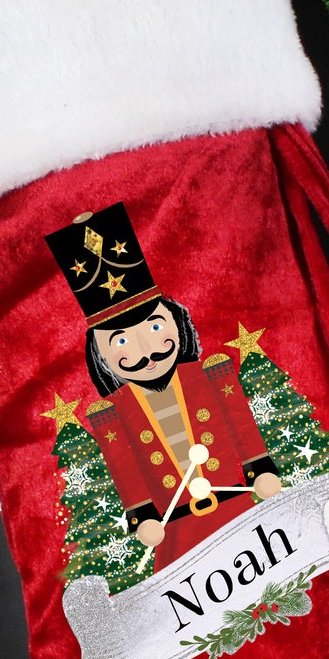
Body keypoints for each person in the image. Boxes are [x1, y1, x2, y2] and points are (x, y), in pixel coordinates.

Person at [47, 202, 282, 574]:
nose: (146, 352)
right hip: (177, 529)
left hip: (237, 508)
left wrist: (260, 469)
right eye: (122, 343)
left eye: (155, 329)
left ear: (177, 323)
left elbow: (239, 422)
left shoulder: (210, 374)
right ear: (101, 355)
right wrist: (142, 517)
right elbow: (124, 466)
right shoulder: (111, 413)